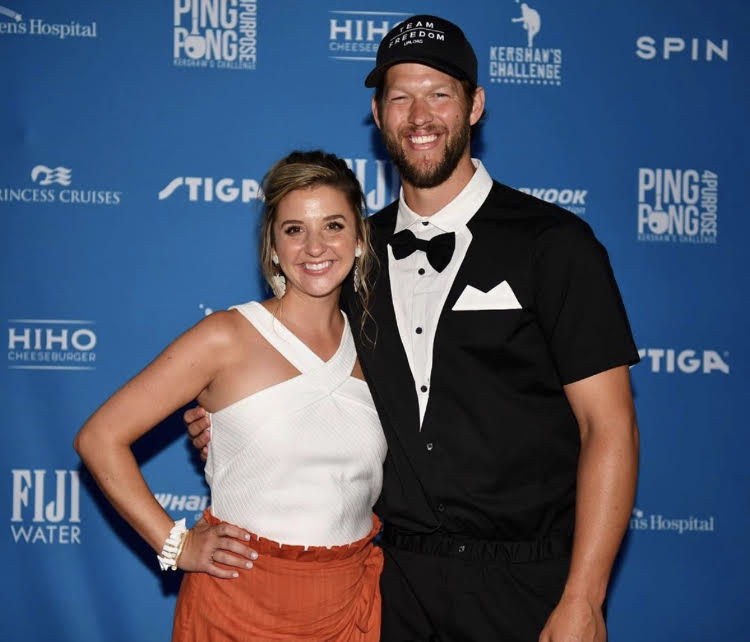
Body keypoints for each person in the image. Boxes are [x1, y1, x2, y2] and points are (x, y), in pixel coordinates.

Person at [187, 15, 640, 642]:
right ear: (377, 114)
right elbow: (302, 371)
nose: (419, 115)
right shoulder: (349, 254)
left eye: (439, 93)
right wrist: (234, 419)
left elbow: (608, 425)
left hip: (528, 586)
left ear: (475, 105)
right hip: (388, 587)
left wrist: (585, 599)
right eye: (400, 96)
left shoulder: (555, 245)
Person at [75, 151, 387, 641]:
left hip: (347, 604)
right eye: (293, 229)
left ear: (360, 237)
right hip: (240, 603)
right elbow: (100, 437)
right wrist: (175, 544)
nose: (314, 247)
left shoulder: (376, 347)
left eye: (332, 225)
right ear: (273, 244)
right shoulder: (226, 335)